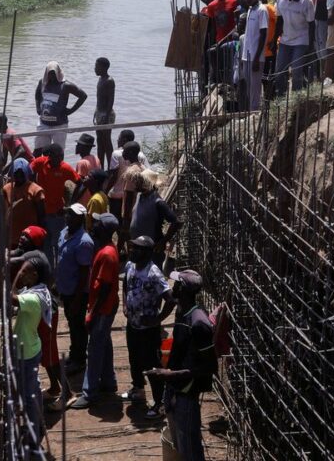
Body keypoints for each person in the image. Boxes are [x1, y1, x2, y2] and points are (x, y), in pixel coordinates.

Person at [147, 270, 217, 461]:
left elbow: (209, 367)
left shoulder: (198, 322)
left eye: (177, 283)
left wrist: (171, 375)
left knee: (190, 449)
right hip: (175, 388)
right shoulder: (182, 313)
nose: (173, 286)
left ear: (183, 289)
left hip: (186, 391)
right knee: (179, 443)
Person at [0, 250, 51, 457]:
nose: (21, 273)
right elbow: (2, 298)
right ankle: (36, 428)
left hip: (26, 352)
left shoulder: (34, 298)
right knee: (32, 389)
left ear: (35, 276)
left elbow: (6, 300)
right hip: (28, 346)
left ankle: (33, 438)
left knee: (28, 395)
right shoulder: (35, 289)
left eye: (26, 271)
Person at [120, 236, 176, 419]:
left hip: (148, 330)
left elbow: (170, 299)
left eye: (138, 249)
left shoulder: (154, 273)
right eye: (132, 247)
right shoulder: (129, 266)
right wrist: (125, 305)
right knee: (134, 358)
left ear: (148, 253)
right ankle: (138, 389)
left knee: (152, 365)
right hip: (133, 325)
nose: (132, 251)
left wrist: (158, 319)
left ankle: (159, 403)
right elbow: (125, 285)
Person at [69, 213, 120, 409]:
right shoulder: (106, 249)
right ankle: (109, 381)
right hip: (107, 305)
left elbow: (105, 286)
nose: (94, 224)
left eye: (97, 223)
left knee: (95, 348)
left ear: (104, 228)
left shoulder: (107, 254)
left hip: (103, 307)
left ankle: (90, 393)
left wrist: (92, 313)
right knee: (104, 343)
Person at [57, 203, 95, 376]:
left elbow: (84, 274)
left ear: (80, 218)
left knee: (78, 326)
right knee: (72, 325)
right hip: (65, 288)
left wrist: (78, 299)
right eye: (67, 214)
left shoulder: (84, 242)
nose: (68, 217)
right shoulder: (64, 233)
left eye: (72, 215)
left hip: (76, 292)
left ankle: (79, 360)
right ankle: (74, 354)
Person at [30, 143, 82, 261]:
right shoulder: (41, 162)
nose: (60, 159)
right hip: (42, 212)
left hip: (57, 214)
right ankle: (49, 270)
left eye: (62, 156)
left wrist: (70, 205)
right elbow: (29, 170)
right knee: (45, 243)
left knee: (59, 244)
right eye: (58, 156)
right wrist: (32, 188)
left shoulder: (65, 168)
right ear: (50, 156)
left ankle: (60, 269)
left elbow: (79, 183)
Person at [129, 169, 182, 270]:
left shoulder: (157, 202)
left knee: (151, 277)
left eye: (140, 181)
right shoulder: (140, 196)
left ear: (146, 183)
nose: (136, 183)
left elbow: (176, 222)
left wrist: (163, 242)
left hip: (151, 250)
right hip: (138, 247)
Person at [274, 0, 317, 94]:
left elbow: (311, 24)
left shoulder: (306, 1)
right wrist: (274, 40)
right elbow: (279, 20)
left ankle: (296, 98)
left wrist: (310, 45)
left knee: (296, 71)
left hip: (301, 40)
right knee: (279, 71)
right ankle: (281, 97)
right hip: (285, 40)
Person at [34, 61, 87, 151]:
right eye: (49, 74)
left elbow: (83, 96)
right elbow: (37, 95)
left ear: (58, 73)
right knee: (38, 150)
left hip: (59, 125)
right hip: (43, 124)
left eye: (54, 74)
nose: (52, 76)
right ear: (46, 73)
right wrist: (38, 108)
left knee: (58, 152)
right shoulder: (42, 83)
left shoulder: (66, 85)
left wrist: (71, 110)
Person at [2, 158, 46, 249]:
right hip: (12, 237)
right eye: (16, 173)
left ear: (26, 173)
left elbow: (42, 216)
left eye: (22, 173)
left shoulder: (36, 190)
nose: (19, 176)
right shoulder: (6, 189)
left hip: (30, 238)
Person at [241, 0, 267, 110]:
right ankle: (251, 111)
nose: (247, 0)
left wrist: (257, 57)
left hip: (256, 57)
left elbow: (263, 34)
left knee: (255, 89)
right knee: (249, 88)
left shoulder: (262, 10)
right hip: (246, 55)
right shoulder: (251, 9)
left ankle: (254, 113)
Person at [108, 140, 146, 224]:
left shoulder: (131, 172)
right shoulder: (142, 167)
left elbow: (129, 196)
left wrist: (125, 219)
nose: (122, 154)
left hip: (131, 213)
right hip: (139, 209)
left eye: (125, 151)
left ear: (131, 153)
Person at [93, 56, 115, 168]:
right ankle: (100, 167)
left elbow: (111, 100)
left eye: (97, 66)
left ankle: (111, 167)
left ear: (104, 67)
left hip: (107, 114)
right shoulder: (100, 79)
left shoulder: (109, 80)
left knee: (107, 141)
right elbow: (99, 98)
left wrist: (105, 116)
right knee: (99, 141)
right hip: (99, 113)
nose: (95, 68)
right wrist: (96, 112)